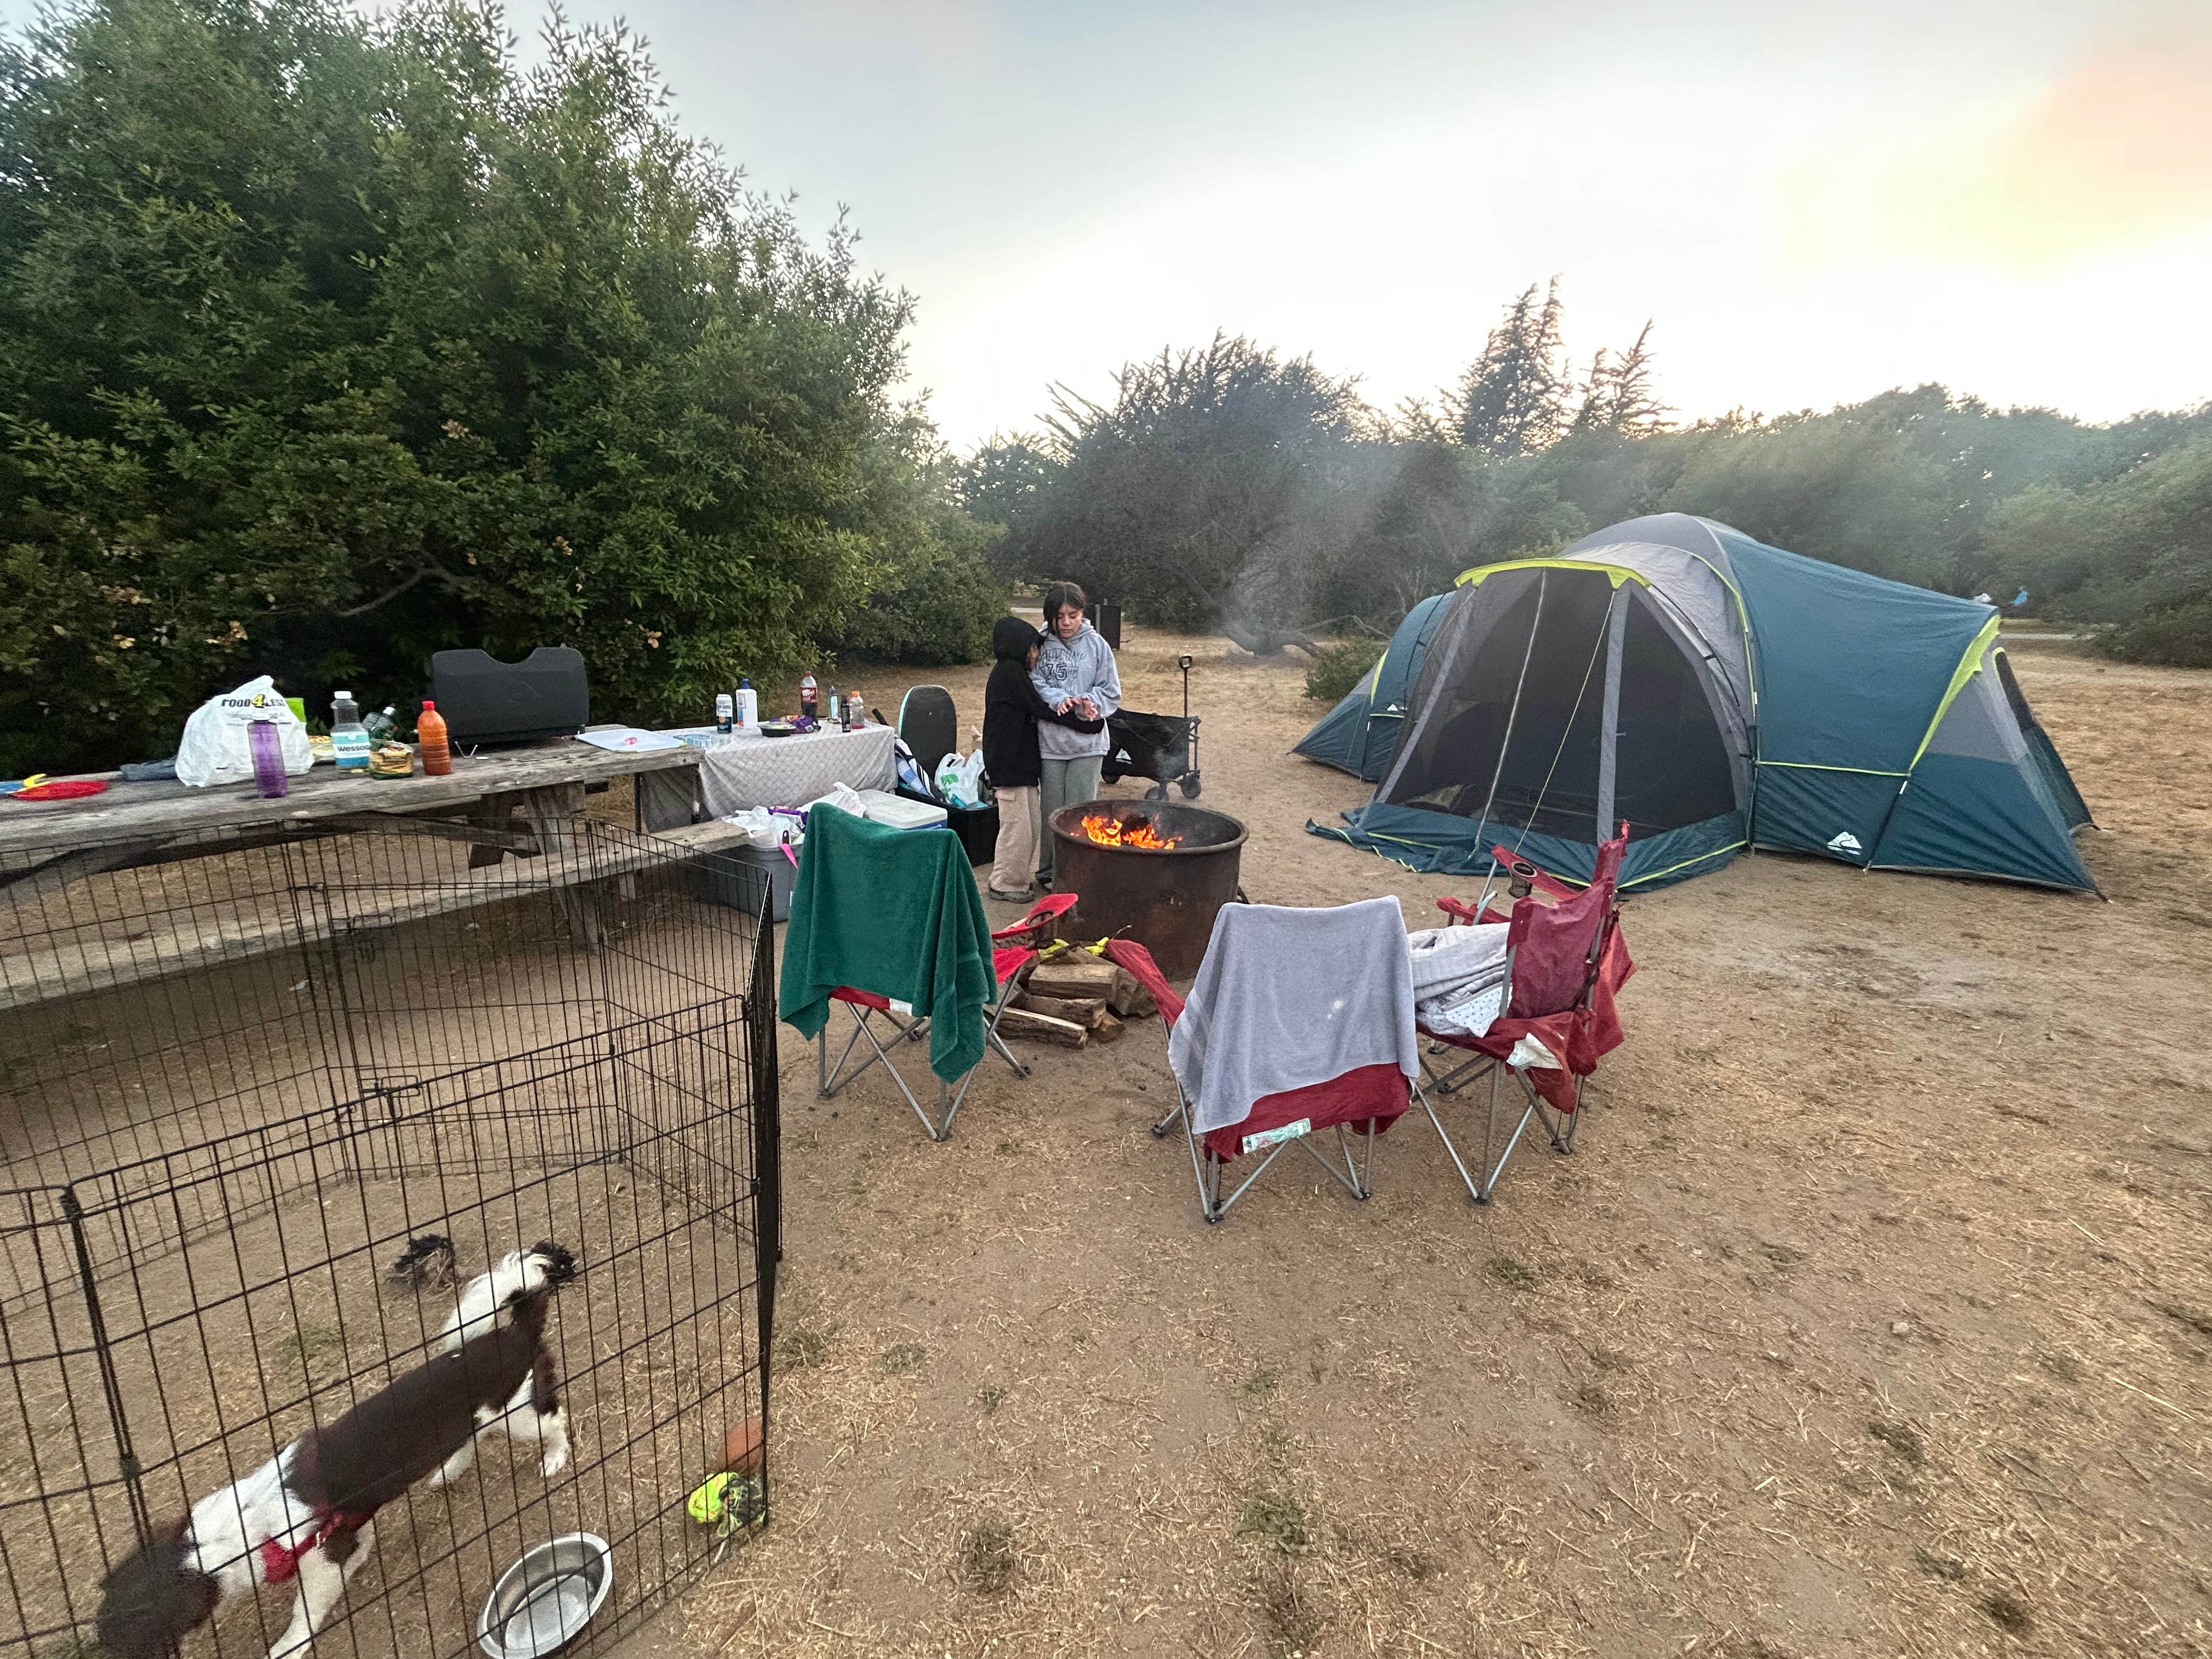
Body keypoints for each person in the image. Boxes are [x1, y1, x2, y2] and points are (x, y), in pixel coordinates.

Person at [983, 616, 1102, 902]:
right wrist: (1085, 725)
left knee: (1032, 824)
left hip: (1021, 765)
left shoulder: (1015, 674)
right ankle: (1005, 883)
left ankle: (1015, 878)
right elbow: (1042, 709)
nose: (1036, 655)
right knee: (1017, 827)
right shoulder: (1009, 673)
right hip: (1008, 765)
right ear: (1016, 648)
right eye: (1032, 649)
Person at [1030, 581, 1121, 890]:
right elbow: (1033, 681)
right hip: (1051, 743)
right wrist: (1057, 698)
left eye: (1073, 615)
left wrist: (1089, 702)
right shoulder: (1039, 643)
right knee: (1052, 812)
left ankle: (1079, 875)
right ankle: (1049, 873)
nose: (1066, 623)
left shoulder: (1098, 646)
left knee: (1082, 812)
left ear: (1083, 613)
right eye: (1060, 616)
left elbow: (1112, 691)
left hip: (1088, 744)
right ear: (1050, 616)